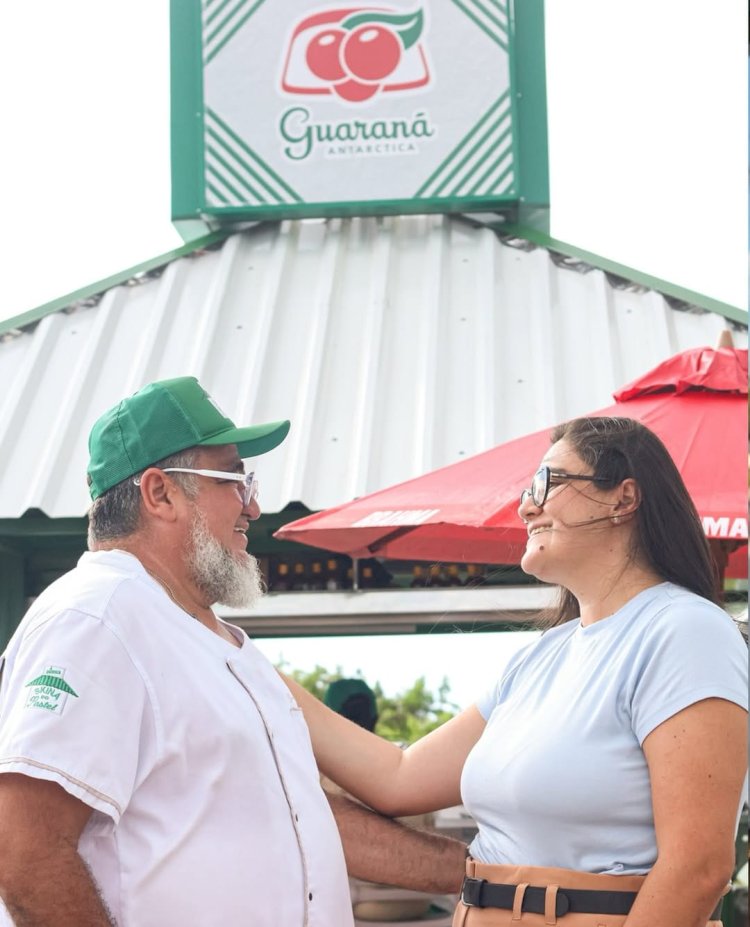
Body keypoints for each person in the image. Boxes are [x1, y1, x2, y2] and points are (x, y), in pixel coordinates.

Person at [0, 376, 466, 927]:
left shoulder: (212, 639)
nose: (255, 506)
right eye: (236, 481)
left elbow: (300, 819)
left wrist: (486, 874)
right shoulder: (96, 618)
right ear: (160, 494)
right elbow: (22, 846)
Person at [285, 416, 749, 927]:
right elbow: (398, 779)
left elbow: (699, 869)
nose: (527, 506)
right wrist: (245, 666)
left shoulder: (683, 632)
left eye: (546, 483)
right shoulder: (542, 656)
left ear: (623, 498)